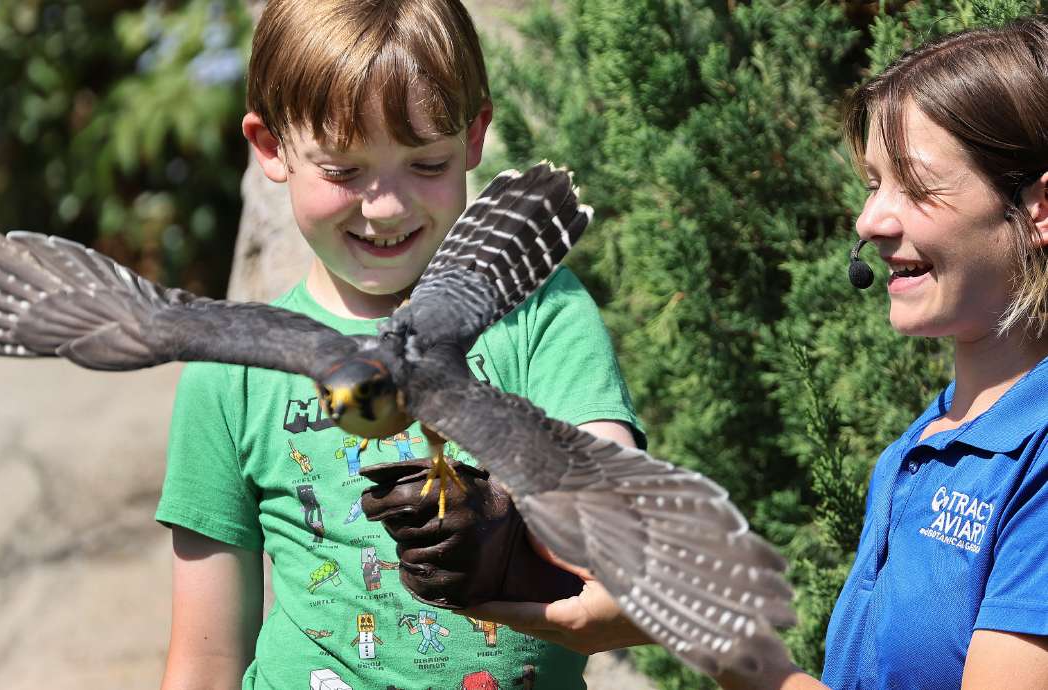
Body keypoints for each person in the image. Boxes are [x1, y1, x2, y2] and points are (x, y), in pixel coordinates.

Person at [460, 14, 1048, 690]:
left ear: (1038, 207)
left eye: (915, 186)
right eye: (872, 184)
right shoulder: (929, 441)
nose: (870, 222)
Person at [153, 1, 641, 688]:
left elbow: (617, 515)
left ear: (475, 137)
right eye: (345, 171)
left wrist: (521, 528)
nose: (386, 205)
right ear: (271, 148)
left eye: (426, 162)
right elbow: (205, 659)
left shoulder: (541, 318)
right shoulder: (232, 371)